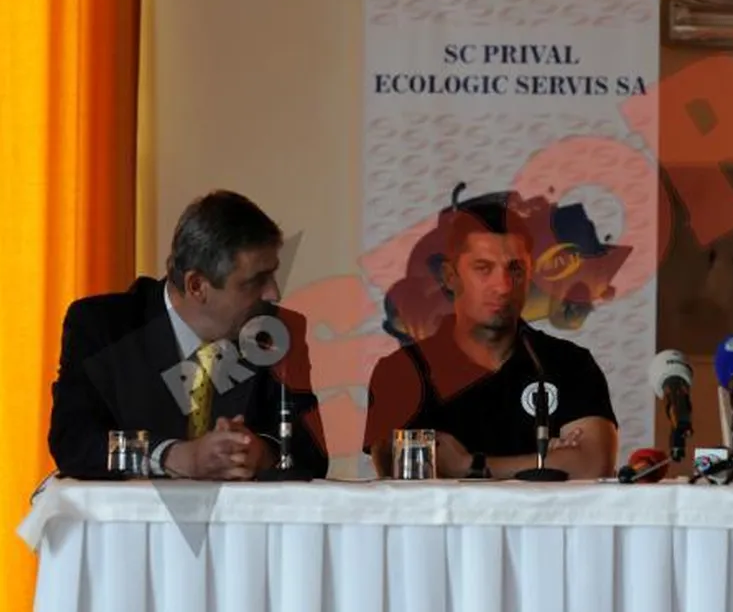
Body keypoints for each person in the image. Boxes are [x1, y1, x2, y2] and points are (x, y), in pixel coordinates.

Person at [48, 190, 329, 480]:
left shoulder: (275, 330)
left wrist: (262, 454)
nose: (273, 293)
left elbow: (312, 455)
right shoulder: (103, 326)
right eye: (256, 281)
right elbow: (74, 442)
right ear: (196, 286)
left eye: (272, 275)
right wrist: (173, 456)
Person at [362, 200, 618, 480]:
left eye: (515, 269)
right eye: (483, 268)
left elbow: (592, 466)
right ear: (450, 276)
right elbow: (398, 477)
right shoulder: (400, 371)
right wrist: (546, 463)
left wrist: (469, 465)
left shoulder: (570, 364)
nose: (503, 286)